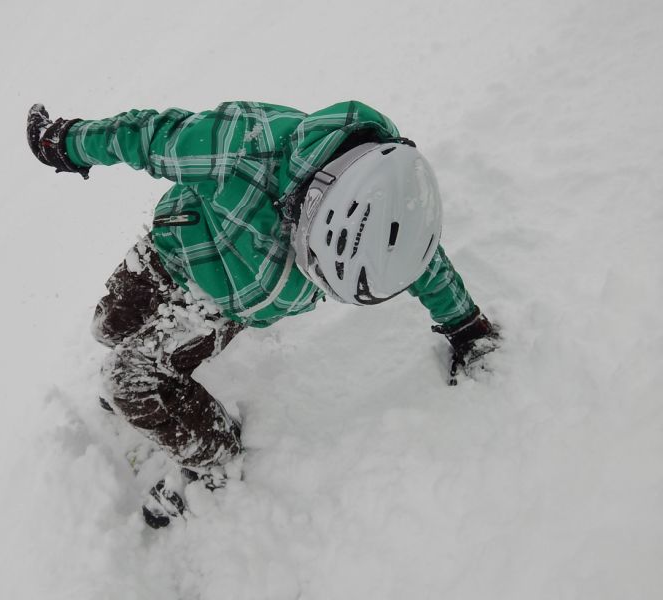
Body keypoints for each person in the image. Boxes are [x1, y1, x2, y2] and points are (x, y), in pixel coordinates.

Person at [26, 100, 499, 527]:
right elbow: (146, 135)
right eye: (319, 269)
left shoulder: (385, 206)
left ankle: (213, 461)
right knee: (106, 328)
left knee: (126, 381)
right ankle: (153, 390)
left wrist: (465, 324)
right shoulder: (240, 148)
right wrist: (66, 143)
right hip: (170, 251)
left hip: (219, 307)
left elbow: (415, 255)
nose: (317, 285)